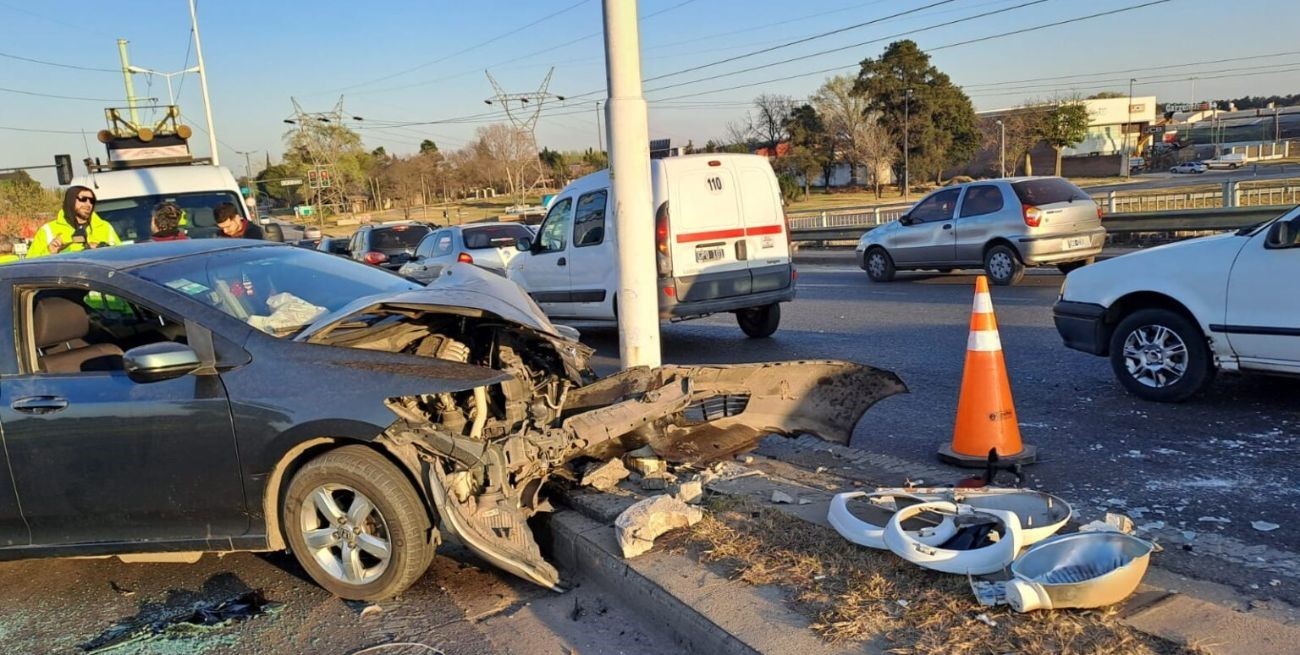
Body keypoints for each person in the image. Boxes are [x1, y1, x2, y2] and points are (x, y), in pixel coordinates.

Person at [26, 186, 120, 257]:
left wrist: (102, 249)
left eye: (92, 201)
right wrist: (50, 252)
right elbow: (29, 267)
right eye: (83, 199)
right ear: (70, 200)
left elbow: (121, 257)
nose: (88, 204)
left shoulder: (105, 227)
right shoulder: (47, 230)